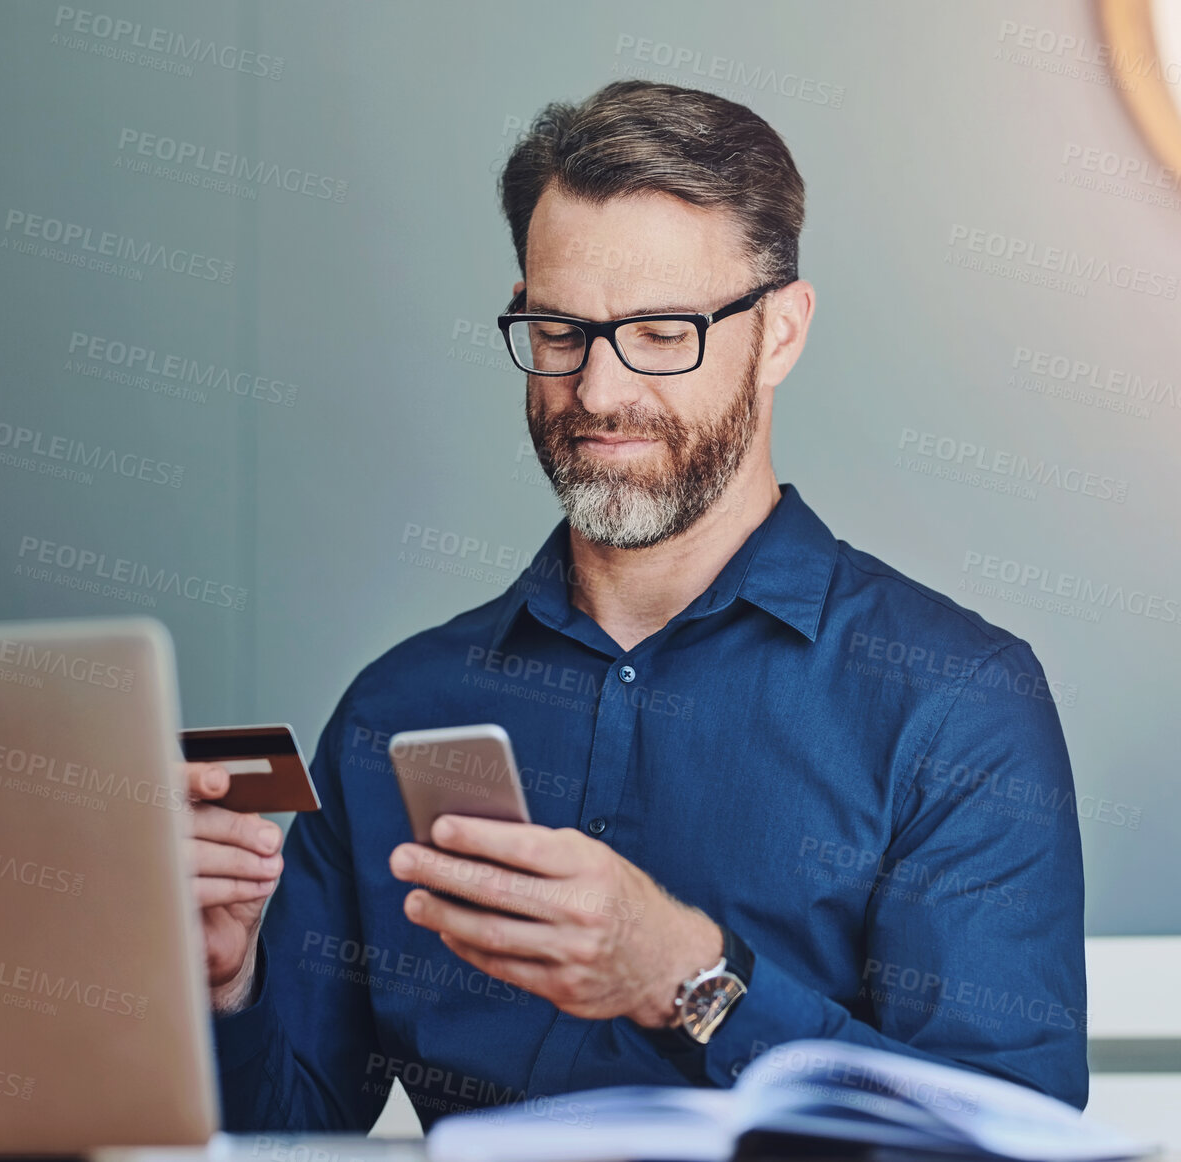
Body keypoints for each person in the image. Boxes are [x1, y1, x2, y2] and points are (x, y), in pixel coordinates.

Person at [184, 79, 1088, 1131]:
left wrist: (691, 981)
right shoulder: (398, 706)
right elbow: (285, 1137)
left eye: (663, 332)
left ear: (780, 334)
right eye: (561, 329)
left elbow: (1012, 1141)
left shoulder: (955, 703)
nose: (601, 391)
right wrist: (225, 981)